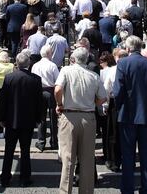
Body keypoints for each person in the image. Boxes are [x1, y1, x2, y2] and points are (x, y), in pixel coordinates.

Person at [113, 36, 147, 194]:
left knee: (128, 154)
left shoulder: (123, 63)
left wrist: (119, 107)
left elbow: (118, 91)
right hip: (146, 113)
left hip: (128, 113)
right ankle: (146, 186)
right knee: (146, 153)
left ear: (127, 48)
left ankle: (127, 188)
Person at [55, 47, 107, 194]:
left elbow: (58, 90)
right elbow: (103, 97)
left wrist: (59, 104)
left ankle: (65, 191)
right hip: (88, 117)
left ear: (73, 59)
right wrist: (92, 103)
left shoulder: (65, 71)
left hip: (69, 115)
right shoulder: (93, 76)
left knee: (68, 159)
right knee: (87, 160)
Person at [0, 52, 44, 187]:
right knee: (25, 150)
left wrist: (0, 118)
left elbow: (3, 100)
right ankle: (25, 178)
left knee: (9, 150)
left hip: (11, 120)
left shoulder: (9, 78)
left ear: (16, 63)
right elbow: (38, 101)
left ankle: (5, 178)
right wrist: (38, 118)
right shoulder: (35, 79)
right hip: (28, 120)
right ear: (28, 63)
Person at [32, 44, 60, 151]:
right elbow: (58, 80)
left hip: (39, 92)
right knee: (53, 118)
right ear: (48, 54)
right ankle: (54, 142)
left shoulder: (35, 65)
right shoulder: (52, 66)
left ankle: (41, 142)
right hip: (50, 91)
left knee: (41, 118)